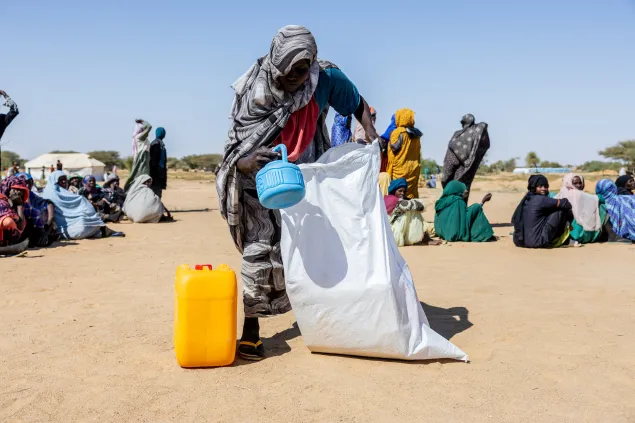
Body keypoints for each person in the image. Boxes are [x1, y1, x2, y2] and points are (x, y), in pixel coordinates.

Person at [216, 25, 379, 361]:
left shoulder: (325, 78)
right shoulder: (255, 89)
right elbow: (235, 147)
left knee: (314, 246)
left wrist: (373, 139)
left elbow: (358, 104)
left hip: (305, 173)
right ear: (276, 63)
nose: (297, 77)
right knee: (259, 252)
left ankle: (324, 320)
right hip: (258, 179)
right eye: (290, 70)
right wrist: (245, 162)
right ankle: (251, 333)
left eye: (304, 69)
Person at [41, 171, 124, 240]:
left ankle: (105, 227)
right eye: (61, 180)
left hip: (76, 228)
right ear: (54, 181)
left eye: (65, 180)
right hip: (66, 230)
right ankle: (105, 228)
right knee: (88, 221)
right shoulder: (52, 194)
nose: (64, 182)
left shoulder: (61, 192)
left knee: (86, 221)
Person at [511, 175, 572, 248]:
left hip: (520, 242)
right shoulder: (540, 199)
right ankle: (560, 239)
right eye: (540, 186)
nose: (544, 189)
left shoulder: (527, 198)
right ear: (534, 187)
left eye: (545, 186)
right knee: (560, 210)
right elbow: (566, 204)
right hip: (537, 242)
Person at [441, 114, 491, 198]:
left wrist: (445, 184)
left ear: (463, 123)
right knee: (462, 206)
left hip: (451, 189)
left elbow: (448, 168)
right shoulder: (476, 138)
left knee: (451, 206)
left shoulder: (457, 137)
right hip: (465, 186)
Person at [1, 175, 52, 247]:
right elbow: (18, 226)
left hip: (17, 237)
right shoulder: (2, 203)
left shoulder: (24, 205)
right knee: (8, 221)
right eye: (15, 189)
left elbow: (34, 218)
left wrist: (20, 206)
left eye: (21, 190)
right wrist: (18, 206)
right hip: (3, 236)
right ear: (7, 189)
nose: (18, 192)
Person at [384, 178, 437, 246]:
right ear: (394, 190)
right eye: (400, 191)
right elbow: (421, 206)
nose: (402, 193)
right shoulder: (393, 200)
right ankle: (416, 238)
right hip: (392, 236)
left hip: (390, 234)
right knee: (413, 211)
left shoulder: (389, 198)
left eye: (404, 191)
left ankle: (418, 236)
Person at [555, 173, 605, 245]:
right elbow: (598, 198)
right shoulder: (577, 194)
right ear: (568, 183)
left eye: (580, 183)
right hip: (575, 231)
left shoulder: (558, 195)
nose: (579, 185)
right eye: (575, 183)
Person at [386, 108, 422, 199]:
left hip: (400, 168)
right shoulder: (416, 134)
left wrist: (389, 139)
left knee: (398, 192)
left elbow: (395, 148)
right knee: (410, 194)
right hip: (413, 169)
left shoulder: (398, 132)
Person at [124, 119, 152, 191]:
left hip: (144, 159)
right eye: (143, 129)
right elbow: (149, 127)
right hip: (142, 159)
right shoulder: (140, 137)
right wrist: (143, 121)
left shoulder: (142, 138)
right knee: (142, 178)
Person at [149, 127, 168, 199]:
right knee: (155, 191)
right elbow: (154, 160)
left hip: (157, 173)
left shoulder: (156, 143)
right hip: (156, 173)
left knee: (156, 191)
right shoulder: (157, 144)